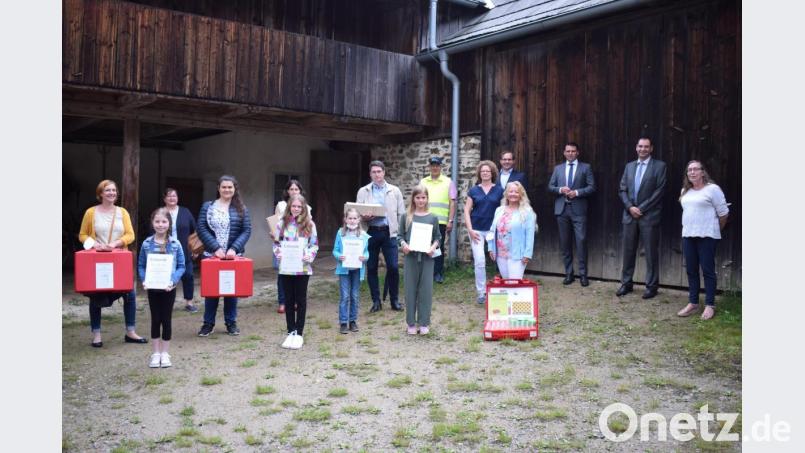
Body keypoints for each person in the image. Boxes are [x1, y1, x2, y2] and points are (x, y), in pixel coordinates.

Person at [78, 179, 147, 347]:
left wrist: (116, 244)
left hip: (118, 258)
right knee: (95, 295)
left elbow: (130, 235)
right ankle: (96, 334)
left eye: (114, 190)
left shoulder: (122, 212)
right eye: (107, 190)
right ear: (100, 193)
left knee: (129, 294)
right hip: (98, 259)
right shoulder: (91, 212)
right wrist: (95, 244)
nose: (111, 193)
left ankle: (130, 332)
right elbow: (82, 235)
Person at [196, 175, 252, 337]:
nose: (227, 190)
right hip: (212, 255)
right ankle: (208, 323)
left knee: (231, 290)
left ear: (235, 189)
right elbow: (201, 228)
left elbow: (246, 230)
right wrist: (215, 248)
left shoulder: (242, 208)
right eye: (224, 187)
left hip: (233, 256)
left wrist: (234, 248)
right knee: (212, 290)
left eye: (230, 187)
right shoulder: (208, 207)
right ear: (218, 188)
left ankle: (231, 322)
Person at [676, 161, 729, 320]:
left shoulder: (712, 189)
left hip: (707, 236)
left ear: (703, 172)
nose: (692, 172)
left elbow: (724, 213)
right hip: (688, 235)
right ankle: (693, 303)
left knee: (708, 271)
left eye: (695, 169)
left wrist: (715, 229)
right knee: (691, 270)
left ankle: (710, 305)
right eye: (689, 170)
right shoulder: (685, 191)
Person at [616, 137, 667, 299]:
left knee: (651, 252)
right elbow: (622, 189)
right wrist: (630, 207)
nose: (643, 149)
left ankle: (651, 287)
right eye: (640, 146)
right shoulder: (629, 166)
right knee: (628, 251)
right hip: (629, 215)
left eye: (646, 146)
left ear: (651, 148)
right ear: (636, 147)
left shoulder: (660, 166)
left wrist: (641, 208)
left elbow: (659, 191)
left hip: (649, 216)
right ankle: (626, 283)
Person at [138, 208, 186, 368]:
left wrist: (173, 281)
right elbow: (141, 265)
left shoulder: (175, 243)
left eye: (164, 221)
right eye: (157, 221)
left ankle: (165, 353)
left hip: (168, 288)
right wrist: (145, 280)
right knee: (155, 319)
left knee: (166, 319)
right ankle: (155, 353)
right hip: (153, 289)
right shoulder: (146, 244)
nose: (160, 225)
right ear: (152, 223)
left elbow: (181, 265)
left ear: (169, 223)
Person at [355, 161, 405, 312]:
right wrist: (365, 217)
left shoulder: (394, 191)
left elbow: (401, 213)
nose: (376, 174)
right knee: (371, 267)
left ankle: (394, 300)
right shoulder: (363, 191)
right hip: (370, 231)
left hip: (389, 232)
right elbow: (356, 213)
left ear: (384, 172)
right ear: (370, 174)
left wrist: (401, 233)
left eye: (379, 171)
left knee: (393, 267)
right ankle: (376, 301)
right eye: (373, 172)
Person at [547, 142, 596, 287]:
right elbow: (550, 187)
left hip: (579, 210)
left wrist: (577, 192)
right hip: (562, 210)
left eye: (573, 151)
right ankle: (569, 273)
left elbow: (592, 187)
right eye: (568, 151)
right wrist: (560, 189)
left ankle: (583, 275)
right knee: (565, 243)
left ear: (577, 152)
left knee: (581, 241)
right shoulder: (558, 168)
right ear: (564, 153)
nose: (570, 153)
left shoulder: (585, 167)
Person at [274, 194, 319, 349]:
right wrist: (278, 253)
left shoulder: (309, 224)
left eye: (299, 207)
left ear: (303, 208)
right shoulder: (281, 223)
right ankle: (290, 331)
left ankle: (299, 333)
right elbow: (276, 243)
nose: (296, 209)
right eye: (294, 206)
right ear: (289, 207)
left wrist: (309, 255)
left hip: (302, 268)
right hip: (286, 268)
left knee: (300, 300)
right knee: (288, 300)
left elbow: (314, 245)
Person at [398, 185, 441, 335]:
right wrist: (404, 245)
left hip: (427, 259)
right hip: (410, 258)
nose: (421, 200)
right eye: (418, 198)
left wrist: (433, 247)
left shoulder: (433, 217)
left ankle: (424, 322)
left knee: (426, 290)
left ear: (427, 199)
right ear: (413, 199)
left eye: (423, 197)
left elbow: (437, 237)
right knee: (410, 290)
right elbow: (400, 236)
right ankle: (411, 323)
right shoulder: (406, 216)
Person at [463, 160, 504, 304]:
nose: (485, 173)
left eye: (487, 171)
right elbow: (467, 211)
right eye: (482, 171)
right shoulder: (474, 190)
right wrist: (470, 229)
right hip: (477, 230)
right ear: (479, 174)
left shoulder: (500, 190)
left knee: (500, 259)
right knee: (480, 261)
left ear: (492, 173)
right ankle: (481, 292)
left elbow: (504, 210)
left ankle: (505, 288)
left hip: (494, 230)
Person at [273, 180, 313, 314]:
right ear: (287, 191)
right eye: (291, 189)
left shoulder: (307, 207)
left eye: (296, 189)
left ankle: (296, 301)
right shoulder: (281, 205)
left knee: (298, 276)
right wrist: (275, 236)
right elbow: (275, 224)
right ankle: (283, 301)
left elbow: (310, 230)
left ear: (300, 191)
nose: (294, 191)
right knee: (282, 274)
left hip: (300, 248)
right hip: (285, 247)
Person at [488, 181, 537, 280]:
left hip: (517, 254)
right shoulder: (499, 210)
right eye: (511, 191)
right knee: (506, 282)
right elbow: (492, 231)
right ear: (506, 194)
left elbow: (530, 235)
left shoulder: (527, 212)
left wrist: (527, 254)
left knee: (514, 283)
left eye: (516, 192)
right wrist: (490, 248)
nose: (513, 194)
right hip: (500, 253)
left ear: (521, 195)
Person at [420, 156, 457, 284]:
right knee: (424, 246)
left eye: (437, 165)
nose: (435, 168)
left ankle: (438, 273)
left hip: (440, 221)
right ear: (429, 167)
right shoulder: (423, 182)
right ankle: (426, 273)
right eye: (432, 165)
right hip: (424, 220)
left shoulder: (448, 182)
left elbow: (452, 203)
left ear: (440, 167)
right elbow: (418, 199)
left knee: (438, 248)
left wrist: (450, 221)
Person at [160, 188, 198, 312]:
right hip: (165, 250)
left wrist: (195, 248)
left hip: (184, 250)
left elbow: (195, 231)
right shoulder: (160, 212)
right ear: (164, 198)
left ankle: (189, 302)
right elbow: (153, 230)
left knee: (188, 276)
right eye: (169, 196)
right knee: (166, 277)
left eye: (174, 196)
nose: (172, 198)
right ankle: (166, 302)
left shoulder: (185, 212)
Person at [333, 208, 369, 334]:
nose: (352, 221)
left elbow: (366, 252)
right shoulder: (340, 233)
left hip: (357, 270)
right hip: (344, 269)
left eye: (355, 218)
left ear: (359, 220)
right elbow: (335, 250)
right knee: (345, 296)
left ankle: (353, 321)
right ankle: (343, 322)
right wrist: (339, 256)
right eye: (350, 218)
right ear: (345, 219)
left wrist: (365, 257)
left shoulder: (363, 235)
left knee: (354, 295)